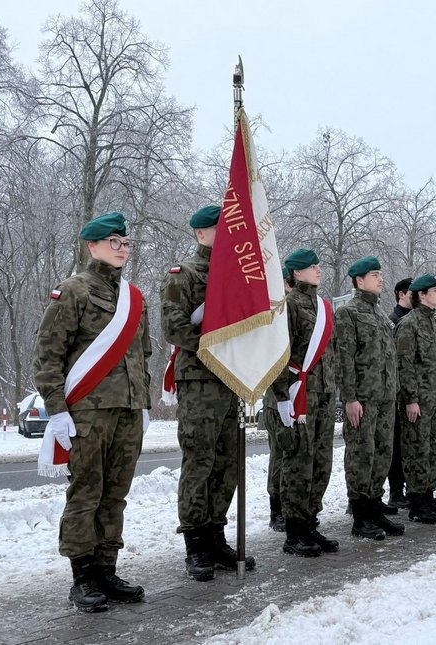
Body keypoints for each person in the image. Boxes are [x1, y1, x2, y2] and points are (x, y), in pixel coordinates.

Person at [33, 212, 150, 612]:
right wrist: (56, 410)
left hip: (128, 412)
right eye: (114, 242)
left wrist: (143, 403)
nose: (122, 248)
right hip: (86, 413)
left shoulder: (134, 298)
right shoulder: (73, 290)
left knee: (115, 495)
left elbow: (143, 354)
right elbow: (48, 354)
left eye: (126, 242)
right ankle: (82, 578)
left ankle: (106, 570)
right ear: (92, 245)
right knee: (86, 494)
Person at [161, 205, 255, 581]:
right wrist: (214, 345)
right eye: (220, 228)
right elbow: (173, 326)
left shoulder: (239, 275)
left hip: (231, 379)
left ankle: (216, 536)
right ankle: (196, 543)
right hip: (199, 380)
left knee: (227, 462)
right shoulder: (183, 274)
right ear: (201, 233)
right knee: (200, 462)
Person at [266, 249, 338, 557]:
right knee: (298, 462)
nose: (318, 270)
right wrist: (282, 397)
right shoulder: (288, 305)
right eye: (312, 267)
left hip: (323, 395)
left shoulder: (323, 306)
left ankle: (310, 521)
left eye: (318, 266)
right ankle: (294, 531)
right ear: (296, 273)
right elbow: (278, 354)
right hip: (298, 394)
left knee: (321, 462)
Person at [335, 257, 403, 541]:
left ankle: (375, 508)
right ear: (359, 280)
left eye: (380, 274)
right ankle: (361, 515)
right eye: (375, 275)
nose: (381, 279)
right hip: (362, 398)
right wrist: (349, 398)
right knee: (361, 455)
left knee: (382, 454)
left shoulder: (380, 315)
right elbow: (345, 358)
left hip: (385, 397)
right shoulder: (348, 313)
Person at [395, 274, 436, 523]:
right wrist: (410, 399)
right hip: (419, 401)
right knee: (417, 450)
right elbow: (404, 364)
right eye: (435, 291)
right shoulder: (409, 324)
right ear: (421, 295)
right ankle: (417, 503)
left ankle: (429, 497)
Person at [264, 265, 294, 534]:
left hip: (297, 394)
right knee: (280, 455)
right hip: (277, 397)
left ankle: (291, 506)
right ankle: (276, 510)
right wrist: (282, 395)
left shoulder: (292, 309)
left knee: (293, 454)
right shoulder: (274, 310)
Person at [387, 277, 413, 508]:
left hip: (413, 392)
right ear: (401, 294)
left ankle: (409, 488)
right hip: (398, 394)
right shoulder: (394, 321)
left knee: (410, 444)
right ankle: (396, 491)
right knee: (396, 445)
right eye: (412, 293)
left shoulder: (415, 320)